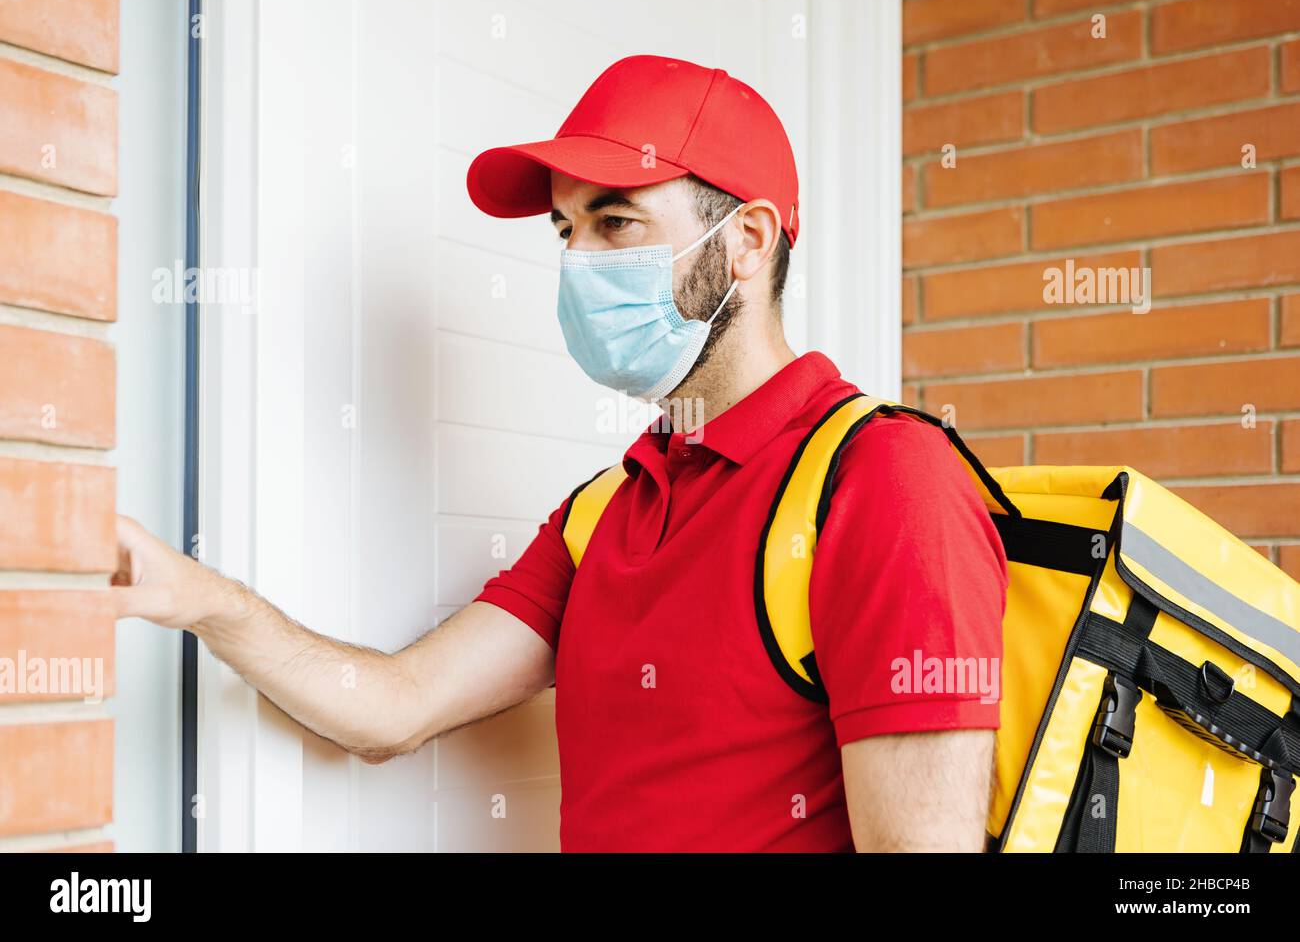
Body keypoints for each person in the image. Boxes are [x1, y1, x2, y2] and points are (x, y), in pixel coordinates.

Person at [114, 55, 1008, 852]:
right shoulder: (607, 508)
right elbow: (394, 707)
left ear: (748, 240)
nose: (578, 260)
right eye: (565, 230)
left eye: (615, 222)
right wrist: (203, 600)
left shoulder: (885, 478)